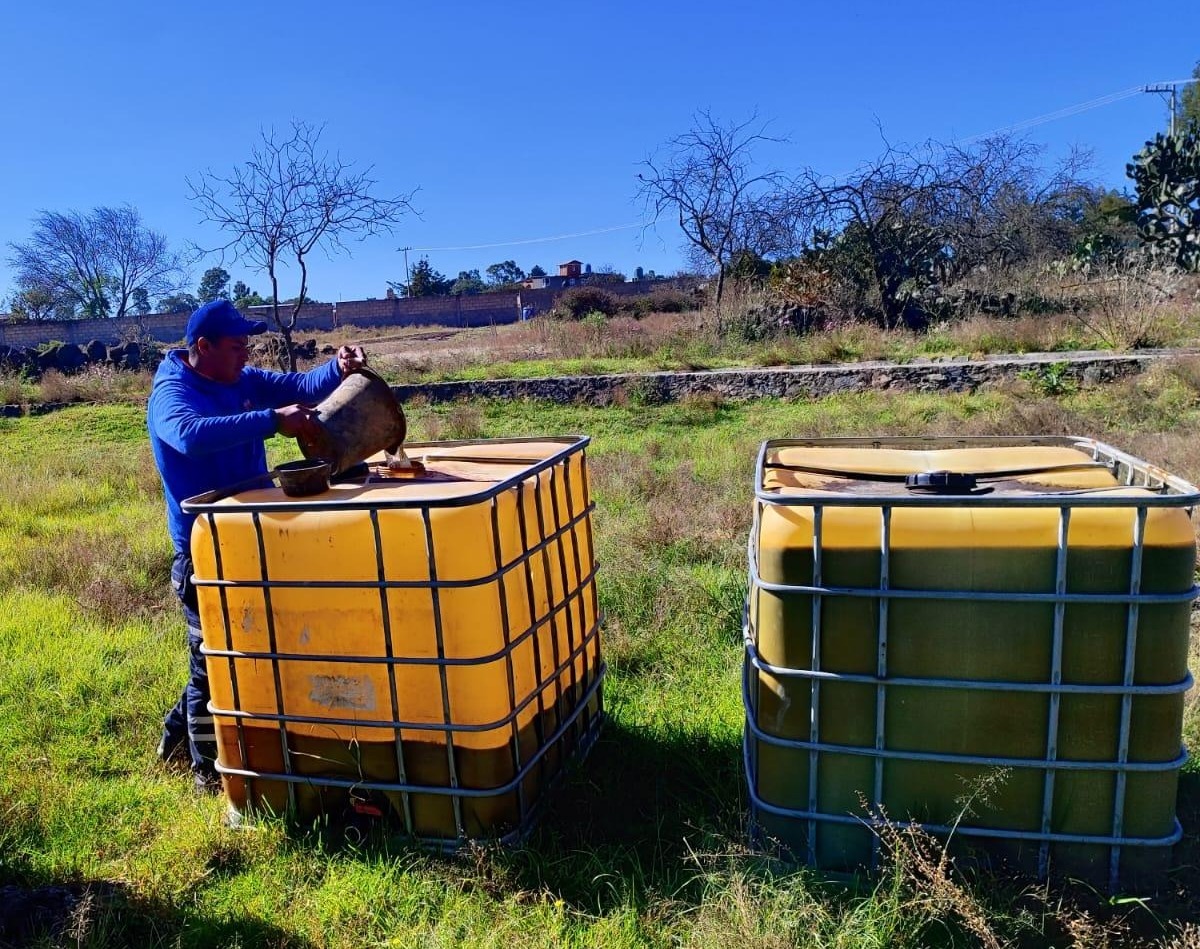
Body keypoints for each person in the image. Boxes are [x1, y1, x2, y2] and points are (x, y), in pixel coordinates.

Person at [147, 299, 365, 792]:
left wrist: (339, 366)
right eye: (236, 346)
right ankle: (209, 773)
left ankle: (174, 738)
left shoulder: (241, 378)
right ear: (202, 347)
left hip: (251, 538)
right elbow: (188, 435)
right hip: (206, 551)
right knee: (215, 663)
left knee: (230, 653)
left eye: (248, 346)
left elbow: (299, 388)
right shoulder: (173, 389)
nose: (246, 356)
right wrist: (271, 420)